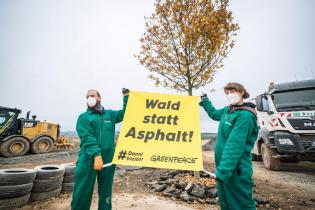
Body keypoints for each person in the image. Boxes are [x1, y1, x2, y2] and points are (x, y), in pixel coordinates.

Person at [199, 82, 258, 210]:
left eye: (232, 91)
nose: (230, 95)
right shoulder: (228, 110)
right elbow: (214, 114)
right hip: (225, 165)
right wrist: (205, 100)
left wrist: (223, 170)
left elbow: (234, 146)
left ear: (241, 92)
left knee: (241, 204)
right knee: (226, 201)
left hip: (236, 168)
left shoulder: (245, 116)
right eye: (227, 93)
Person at [71, 88, 129, 210]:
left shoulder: (110, 115)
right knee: (82, 193)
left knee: (106, 193)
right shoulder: (84, 117)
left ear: (99, 98)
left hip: (108, 159)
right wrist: (96, 155)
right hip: (89, 159)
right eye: (87, 97)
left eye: (92, 95)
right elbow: (87, 137)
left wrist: (126, 97)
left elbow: (126, 113)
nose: (89, 98)